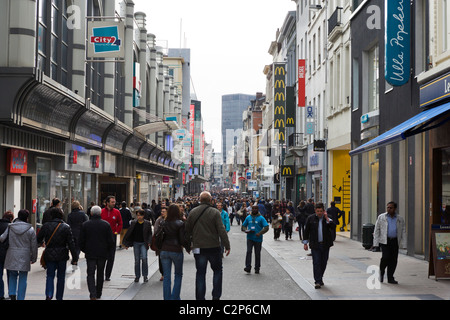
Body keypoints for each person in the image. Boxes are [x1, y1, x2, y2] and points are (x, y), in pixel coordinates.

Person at [185, 191, 230, 300]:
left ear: (200, 200)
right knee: (217, 271)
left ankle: (200, 298)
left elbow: (187, 231)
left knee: (200, 274)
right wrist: (227, 245)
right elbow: (221, 230)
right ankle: (216, 296)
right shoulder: (215, 212)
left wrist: (187, 245)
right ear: (210, 200)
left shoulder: (193, 212)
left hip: (198, 247)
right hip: (213, 247)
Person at [37, 207, 79, 300]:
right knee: (61, 277)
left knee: (50, 275)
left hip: (49, 253)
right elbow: (71, 243)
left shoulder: (46, 225)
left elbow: (38, 238)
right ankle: (59, 297)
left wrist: (42, 243)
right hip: (62, 254)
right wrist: (75, 258)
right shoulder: (66, 227)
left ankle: (49, 294)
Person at [79, 205, 115, 300]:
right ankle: (98, 293)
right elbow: (111, 241)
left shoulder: (85, 225)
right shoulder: (106, 225)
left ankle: (92, 293)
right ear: (100, 213)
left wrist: (85, 250)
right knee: (100, 273)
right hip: (102, 253)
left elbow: (81, 241)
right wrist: (109, 251)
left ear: (91, 213)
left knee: (90, 273)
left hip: (90, 253)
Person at [0, 209, 38, 300]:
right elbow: (34, 245)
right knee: (23, 277)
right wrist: (34, 258)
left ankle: (12, 294)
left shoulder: (10, 227)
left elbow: (1, 238)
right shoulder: (30, 229)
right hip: (24, 256)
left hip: (11, 254)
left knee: (13, 274)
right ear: (27, 218)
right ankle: (21, 297)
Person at [155, 204, 190, 300]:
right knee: (178, 274)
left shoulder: (163, 222)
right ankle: (175, 297)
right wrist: (188, 247)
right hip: (176, 250)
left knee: (166, 276)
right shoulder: (180, 223)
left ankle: (167, 298)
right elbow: (182, 239)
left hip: (164, 250)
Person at [303, 202, 335, 289]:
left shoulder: (327, 219)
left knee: (323, 262)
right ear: (315, 211)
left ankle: (320, 278)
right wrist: (305, 243)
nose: (319, 213)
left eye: (321, 211)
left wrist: (327, 218)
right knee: (316, 262)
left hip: (325, 245)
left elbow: (333, 227)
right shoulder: (311, 219)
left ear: (323, 211)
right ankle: (317, 281)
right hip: (315, 245)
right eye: (318, 211)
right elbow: (306, 231)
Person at [373, 201, 406, 284]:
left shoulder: (400, 219)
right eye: (387, 207)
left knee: (393, 260)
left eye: (391, 207)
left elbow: (403, 231)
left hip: (395, 241)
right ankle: (382, 271)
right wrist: (375, 243)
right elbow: (377, 230)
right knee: (385, 257)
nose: (389, 209)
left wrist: (404, 244)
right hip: (385, 241)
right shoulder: (381, 217)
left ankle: (390, 277)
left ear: (395, 208)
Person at [122, 210, 153, 283]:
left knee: (144, 259)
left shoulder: (147, 223)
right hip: (136, 243)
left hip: (143, 243)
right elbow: (129, 233)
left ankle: (145, 276)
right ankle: (137, 276)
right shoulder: (133, 223)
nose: (139, 217)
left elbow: (150, 234)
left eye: (140, 215)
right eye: (138, 215)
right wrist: (126, 244)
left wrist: (149, 242)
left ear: (143, 216)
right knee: (137, 260)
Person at [242, 205, 269, 274]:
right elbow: (243, 226)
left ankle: (257, 268)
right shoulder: (248, 217)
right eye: (253, 208)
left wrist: (260, 233)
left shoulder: (261, 218)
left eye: (255, 208)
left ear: (258, 209)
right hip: (250, 238)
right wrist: (246, 230)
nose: (254, 210)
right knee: (248, 251)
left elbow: (266, 227)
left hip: (258, 239)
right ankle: (248, 267)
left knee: (257, 253)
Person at [101, 196, 123, 281]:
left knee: (111, 257)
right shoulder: (101, 211)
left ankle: (107, 275)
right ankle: (101, 273)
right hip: (102, 237)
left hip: (112, 237)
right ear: (107, 203)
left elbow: (120, 223)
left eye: (114, 202)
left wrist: (116, 232)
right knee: (102, 257)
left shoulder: (117, 212)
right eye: (112, 202)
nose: (114, 203)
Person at [0, 211, 14, 300]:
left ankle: (1, 294)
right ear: (10, 219)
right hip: (9, 253)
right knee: (11, 274)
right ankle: (11, 293)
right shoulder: (11, 227)